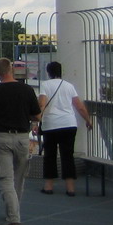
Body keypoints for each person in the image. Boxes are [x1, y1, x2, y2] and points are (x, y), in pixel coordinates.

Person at [0, 57, 41, 225]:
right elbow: (37, 116)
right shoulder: (27, 90)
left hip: (2, 137)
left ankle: (13, 216)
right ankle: (14, 211)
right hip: (22, 137)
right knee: (19, 177)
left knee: (6, 178)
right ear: (12, 70)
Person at [38, 61, 93, 197]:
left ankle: (48, 186)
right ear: (61, 71)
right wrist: (88, 120)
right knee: (67, 155)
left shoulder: (45, 85)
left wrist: (36, 121)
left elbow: (42, 104)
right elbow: (79, 106)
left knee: (50, 155)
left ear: (48, 72)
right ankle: (70, 188)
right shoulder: (69, 86)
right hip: (69, 124)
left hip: (50, 125)